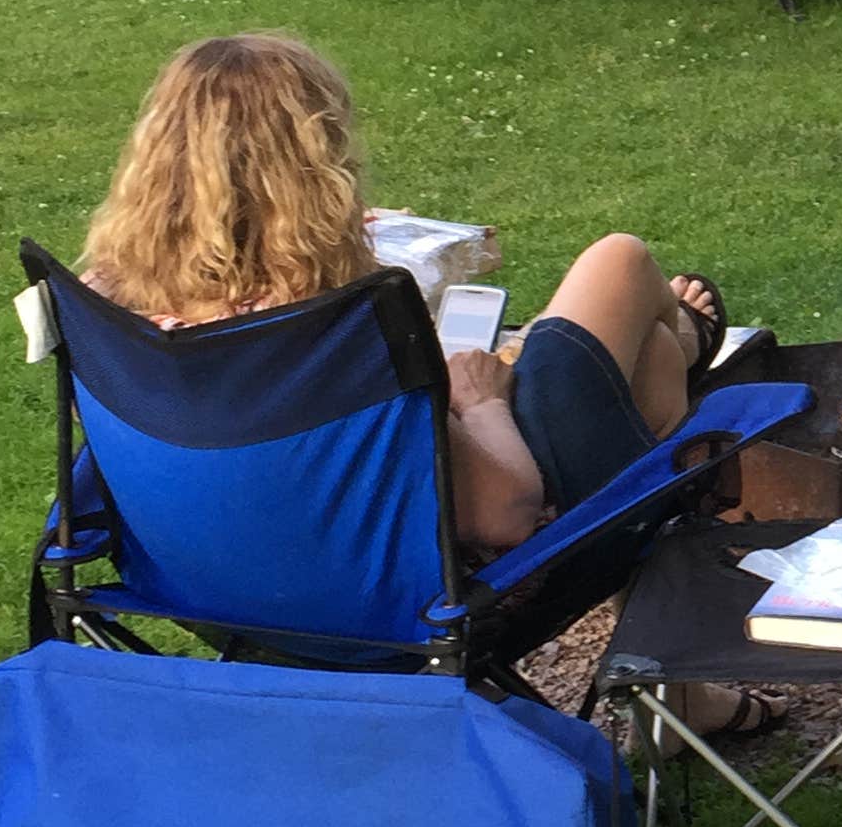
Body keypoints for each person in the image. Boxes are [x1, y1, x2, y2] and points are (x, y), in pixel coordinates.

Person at [76, 33, 726, 556]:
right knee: (621, 269)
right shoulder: (334, 328)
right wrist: (479, 405)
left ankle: (686, 688)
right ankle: (691, 338)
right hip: (403, 586)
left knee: (651, 363)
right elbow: (502, 514)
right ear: (317, 167)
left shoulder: (102, 307)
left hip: (217, 573)